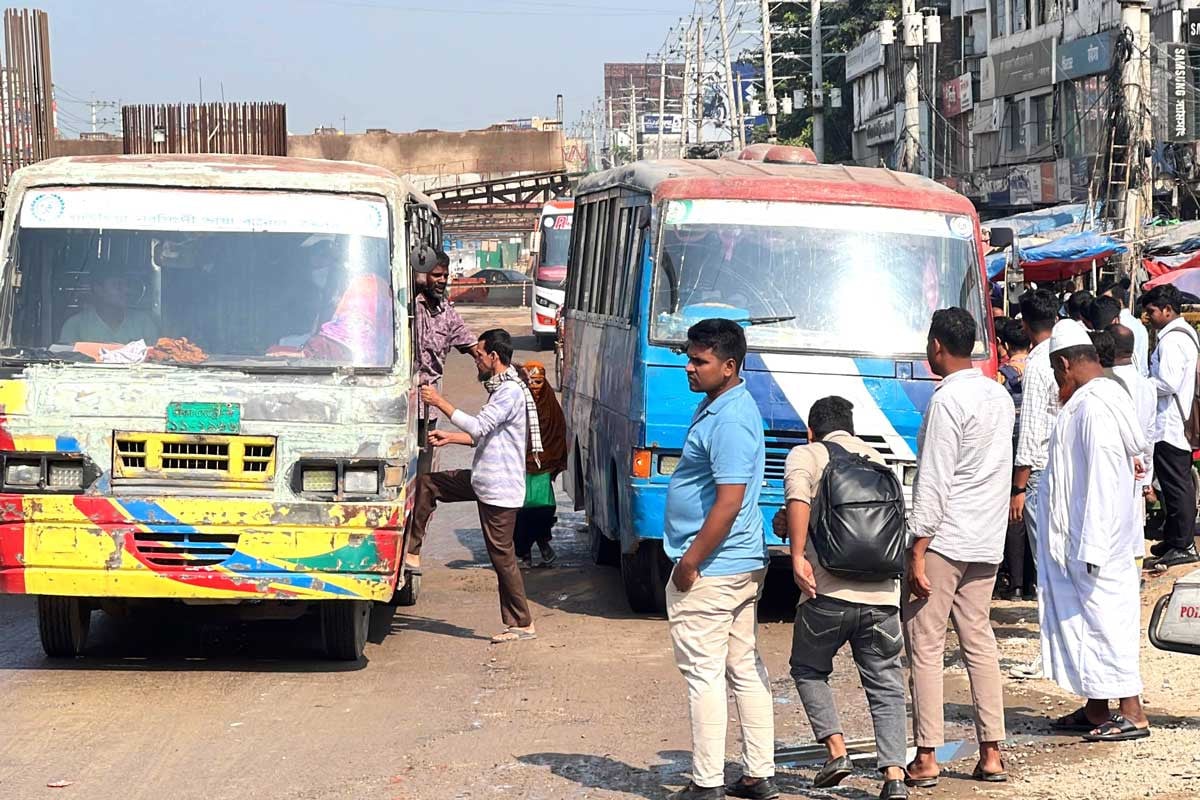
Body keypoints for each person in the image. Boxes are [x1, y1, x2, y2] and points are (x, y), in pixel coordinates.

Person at [662, 319, 777, 800]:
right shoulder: (722, 405)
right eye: (688, 358)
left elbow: (728, 502)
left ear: (729, 366)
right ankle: (758, 773)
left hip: (715, 567)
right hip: (737, 562)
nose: (689, 368)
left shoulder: (728, 419)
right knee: (742, 666)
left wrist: (690, 562)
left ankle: (707, 781)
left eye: (699, 361)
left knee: (705, 674)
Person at [777, 396, 908, 800]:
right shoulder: (878, 460)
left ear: (811, 430)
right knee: (886, 683)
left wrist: (797, 556)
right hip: (883, 596)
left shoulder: (807, 454)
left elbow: (799, 498)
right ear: (851, 428)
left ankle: (837, 752)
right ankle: (894, 776)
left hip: (827, 592)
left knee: (808, 668)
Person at [904, 308, 1013, 788]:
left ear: (936, 346)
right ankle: (992, 753)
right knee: (979, 642)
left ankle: (927, 755)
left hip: (944, 539)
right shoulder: (998, 395)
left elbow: (934, 478)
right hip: (985, 537)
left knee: (925, 645)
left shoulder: (947, 400)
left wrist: (917, 548)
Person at [1038, 319, 1151, 742]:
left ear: (1065, 365)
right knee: (1088, 623)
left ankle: (1133, 713)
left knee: (1106, 624)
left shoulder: (1094, 407)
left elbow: (1102, 477)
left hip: (1096, 543)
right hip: (1090, 540)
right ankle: (1096, 707)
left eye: (1056, 374)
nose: (1057, 383)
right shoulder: (1096, 398)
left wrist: (1092, 543)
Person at [411, 329, 538, 643]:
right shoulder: (502, 388)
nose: (476, 361)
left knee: (502, 557)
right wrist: (451, 437)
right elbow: (485, 435)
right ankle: (412, 553)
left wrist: (439, 401)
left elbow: (479, 427)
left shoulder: (509, 392)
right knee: (429, 485)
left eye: (479, 355)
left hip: (499, 488)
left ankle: (522, 624)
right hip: (484, 479)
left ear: (494, 357)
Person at [407, 250, 478, 572]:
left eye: (445, 276)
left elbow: (472, 347)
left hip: (428, 414)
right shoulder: (403, 305)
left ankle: (413, 548)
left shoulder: (446, 312)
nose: (441, 281)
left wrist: (502, 370)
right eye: (436, 275)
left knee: (423, 483)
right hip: (395, 410)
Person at [1009, 288, 1060, 677]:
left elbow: (1029, 432)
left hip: (1040, 472)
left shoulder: (1037, 365)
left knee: (1045, 566)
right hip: (1062, 468)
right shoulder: (1067, 355)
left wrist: (1019, 488)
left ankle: (1050, 653)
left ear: (1025, 325)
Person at [1143, 284, 1200, 567]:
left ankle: (1183, 544)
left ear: (1167, 310)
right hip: (1174, 421)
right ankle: (1175, 538)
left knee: (1177, 486)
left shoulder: (1173, 340)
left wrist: (1142, 385)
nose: (1148, 317)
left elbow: (1168, 382)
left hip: (1171, 424)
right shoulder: (1181, 334)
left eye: (1152, 311)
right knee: (1172, 484)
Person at [1108, 323, 1158, 564]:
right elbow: (1149, 435)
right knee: (1134, 531)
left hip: (1113, 465)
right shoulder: (1147, 386)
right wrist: (1147, 476)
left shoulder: (1108, 383)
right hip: (1137, 468)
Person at [515, 360, 566, 568]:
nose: (534, 386)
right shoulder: (516, 401)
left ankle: (543, 546)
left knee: (543, 511)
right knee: (520, 513)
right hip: (519, 466)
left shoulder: (551, 404)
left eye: (538, 382)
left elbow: (559, 432)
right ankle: (525, 553)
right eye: (531, 382)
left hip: (543, 467)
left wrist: (553, 461)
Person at [996, 318, 1032, 601]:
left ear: (1005, 345)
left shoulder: (1002, 375)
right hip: (1037, 451)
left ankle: (1016, 584)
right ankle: (1032, 582)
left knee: (1013, 516)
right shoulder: (1042, 368)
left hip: (1011, 450)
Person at [59, 267, 160, 346]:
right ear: (98, 289)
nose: (126, 290)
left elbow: (156, 357)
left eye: (127, 285)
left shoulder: (143, 322)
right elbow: (66, 358)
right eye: (118, 285)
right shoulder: (75, 325)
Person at [1101, 276, 1150, 376]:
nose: (1105, 305)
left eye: (1108, 300)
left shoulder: (1118, 326)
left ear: (1119, 301)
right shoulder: (1138, 325)